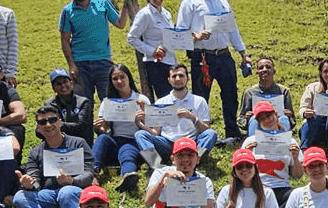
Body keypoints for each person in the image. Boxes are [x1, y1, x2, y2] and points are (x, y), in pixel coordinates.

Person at [177, 0, 253, 143]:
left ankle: (232, 132)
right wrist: (195, 36)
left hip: (224, 55)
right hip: (202, 57)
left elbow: (233, 29)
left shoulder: (223, 2)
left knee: (230, 93)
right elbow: (180, 31)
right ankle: (202, 134)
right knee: (202, 97)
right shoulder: (190, 2)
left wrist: (243, 53)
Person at [15, 107, 96, 208]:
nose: (48, 125)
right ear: (38, 127)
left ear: (60, 122)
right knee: (20, 197)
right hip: (48, 196)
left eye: (52, 120)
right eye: (42, 122)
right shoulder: (35, 152)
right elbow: (34, 176)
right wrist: (29, 184)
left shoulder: (78, 143)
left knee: (67, 191)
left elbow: (89, 172)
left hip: (74, 193)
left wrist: (73, 181)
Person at [59, 0, 129, 103]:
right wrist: (71, 65)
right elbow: (64, 40)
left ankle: (109, 124)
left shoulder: (103, 2)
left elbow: (120, 23)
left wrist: (125, 4)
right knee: (84, 105)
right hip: (80, 65)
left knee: (110, 101)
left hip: (103, 61)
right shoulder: (67, 11)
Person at [135, 65, 219, 168]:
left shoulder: (199, 101)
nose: (178, 79)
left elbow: (206, 128)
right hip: (168, 143)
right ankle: (158, 166)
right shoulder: (160, 102)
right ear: (169, 80)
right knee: (140, 134)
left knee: (211, 134)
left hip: (191, 142)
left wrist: (193, 118)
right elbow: (156, 132)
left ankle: (195, 160)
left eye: (181, 75)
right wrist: (140, 124)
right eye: (174, 76)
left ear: (187, 79)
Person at [92, 65, 150, 198]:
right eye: (115, 79)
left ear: (129, 78)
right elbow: (104, 130)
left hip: (133, 140)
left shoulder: (141, 99)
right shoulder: (107, 102)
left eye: (122, 77)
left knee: (127, 153)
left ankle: (128, 176)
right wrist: (100, 127)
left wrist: (144, 116)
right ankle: (93, 174)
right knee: (102, 139)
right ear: (111, 82)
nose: (119, 81)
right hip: (113, 140)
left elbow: (152, 128)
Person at [240, 101, 304, 208]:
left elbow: (298, 175)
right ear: (258, 123)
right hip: (258, 187)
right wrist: (247, 155)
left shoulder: (290, 142)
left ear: (275, 114)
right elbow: (240, 173)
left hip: (282, 188)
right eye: (261, 119)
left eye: (268, 115)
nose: (266, 120)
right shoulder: (250, 141)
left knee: (299, 195)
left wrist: (295, 157)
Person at [125, 0, 176, 101]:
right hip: (156, 65)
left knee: (174, 100)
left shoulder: (166, 14)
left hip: (171, 62)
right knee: (165, 101)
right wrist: (152, 51)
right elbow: (131, 38)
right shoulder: (144, 14)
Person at [237, 57, 295, 135]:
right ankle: (253, 145)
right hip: (258, 123)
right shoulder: (250, 93)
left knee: (284, 119)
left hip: (277, 123)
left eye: (268, 67)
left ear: (274, 72)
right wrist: (246, 118)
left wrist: (289, 115)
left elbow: (293, 121)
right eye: (261, 68)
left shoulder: (283, 92)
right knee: (253, 119)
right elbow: (241, 122)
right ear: (257, 73)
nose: (264, 70)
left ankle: (284, 144)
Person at [47, 67, 96, 145]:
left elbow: (82, 127)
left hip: (82, 145)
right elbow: (40, 130)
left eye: (65, 81)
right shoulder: (49, 105)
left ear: (71, 83)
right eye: (58, 84)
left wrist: (56, 125)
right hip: (58, 145)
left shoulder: (83, 102)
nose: (63, 85)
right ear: (53, 88)